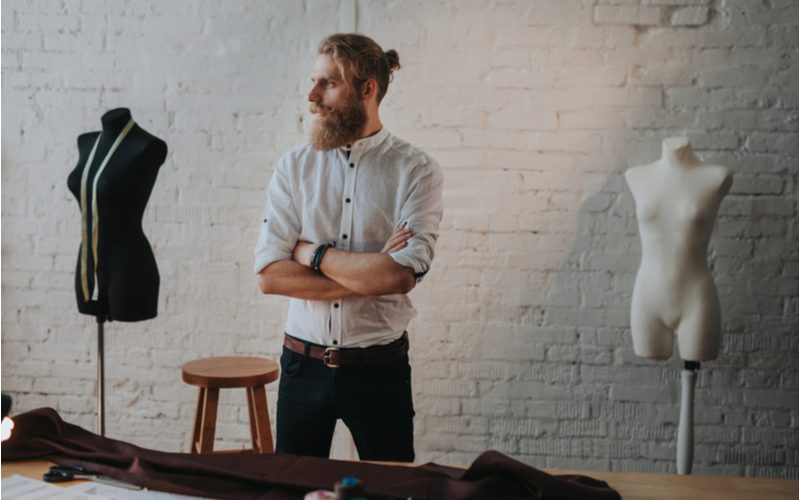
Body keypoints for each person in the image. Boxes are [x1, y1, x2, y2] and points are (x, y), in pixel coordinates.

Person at [253, 33, 444, 462]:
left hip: (380, 371)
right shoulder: (293, 168)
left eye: (328, 84)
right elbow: (269, 277)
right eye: (314, 81)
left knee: (390, 492)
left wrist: (311, 254)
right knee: (293, 492)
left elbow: (397, 277)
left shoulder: (416, 171)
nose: (312, 95)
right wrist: (370, 274)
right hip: (302, 367)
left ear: (367, 89)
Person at [625, 137, 733, 362]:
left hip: (695, 297)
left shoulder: (717, 177)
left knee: (693, 372)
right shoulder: (636, 176)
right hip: (647, 297)